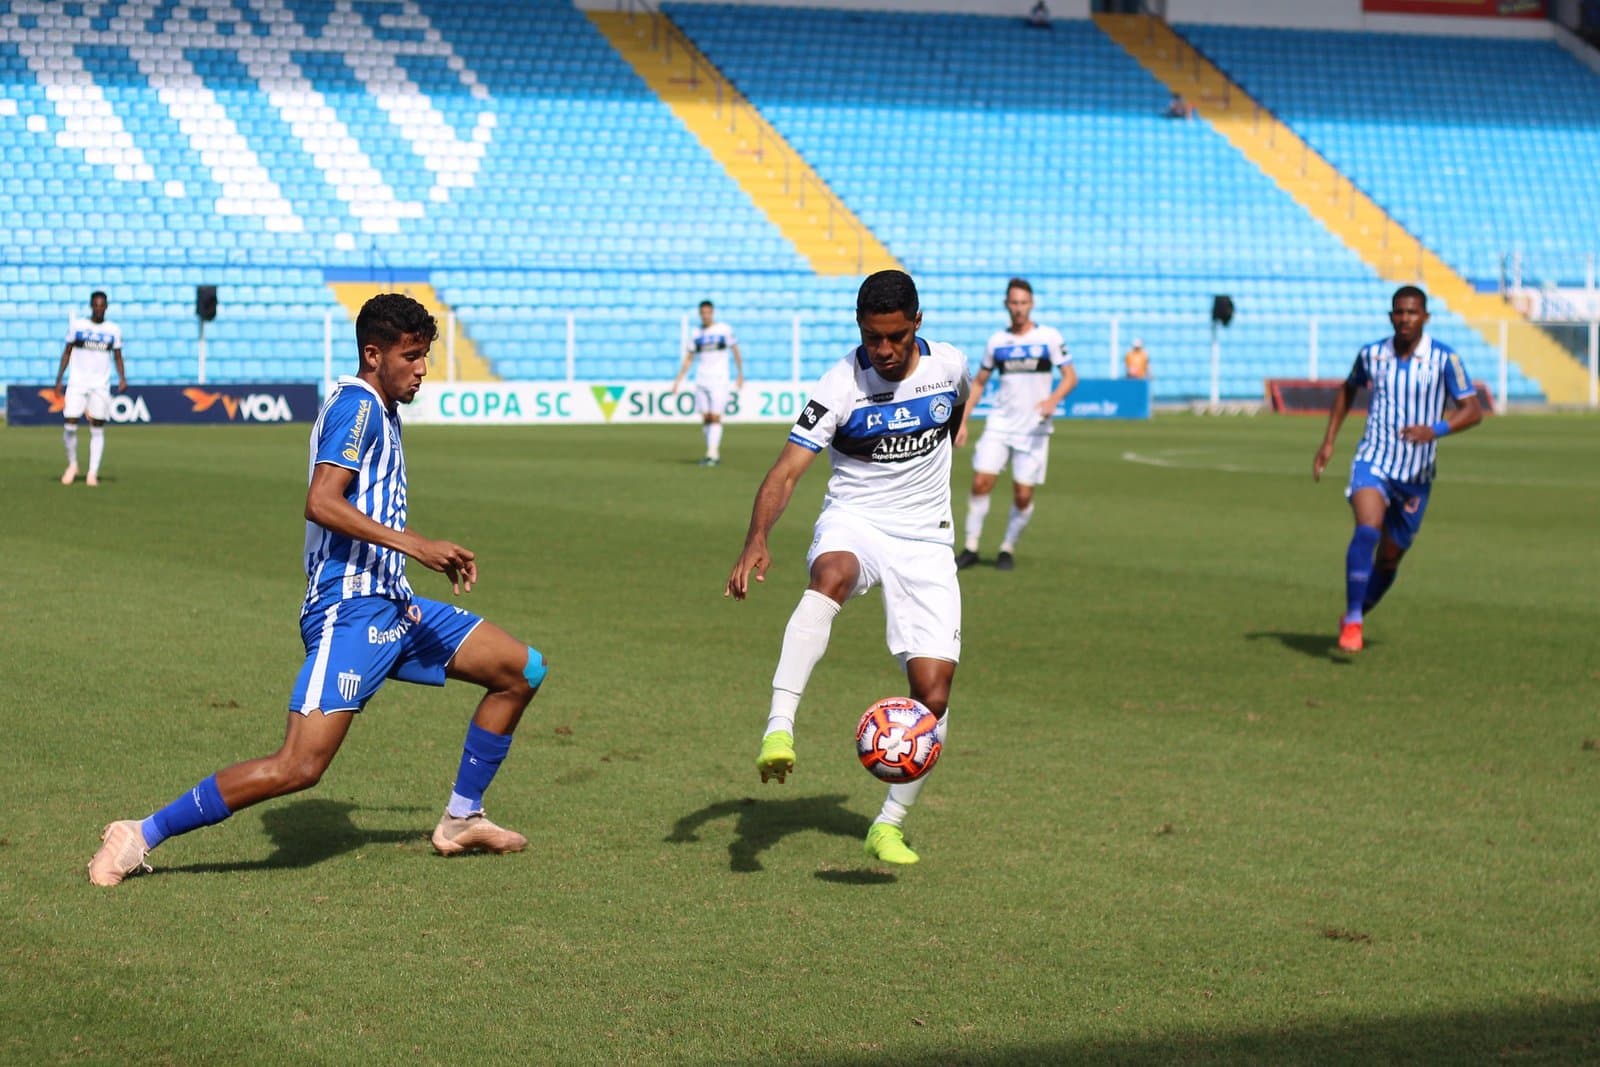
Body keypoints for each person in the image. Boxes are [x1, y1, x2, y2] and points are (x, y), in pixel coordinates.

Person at [87, 293, 549, 887]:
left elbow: (364, 506)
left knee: (521, 670)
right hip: (349, 610)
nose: (423, 370)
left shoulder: (380, 406)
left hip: (394, 603)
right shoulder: (356, 408)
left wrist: (419, 549)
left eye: (426, 355)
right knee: (300, 765)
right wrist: (418, 545)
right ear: (373, 353)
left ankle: (462, 817)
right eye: (412, 356)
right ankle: (140, 833)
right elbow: (322, 501)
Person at [725, 270, 969, 866]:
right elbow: (786, 470)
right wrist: (757, 537)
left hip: (926, 540)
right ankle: (778, 728)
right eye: (869, 337)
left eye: (893, 337)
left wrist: (951, 442)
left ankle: (888, 824)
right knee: (830, 572)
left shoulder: (951, 366)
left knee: (933, 695)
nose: (881, 350)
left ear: (917, 323)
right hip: (856, 518)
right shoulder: (839, 385)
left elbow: (958, 404)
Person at [1313, 285, 1483, 653]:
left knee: (1389, 558)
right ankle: (1354, 620)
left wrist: (1434, 429)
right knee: (1367, 529)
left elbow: (1472, 410)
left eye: (1412, 312)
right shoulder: (1372, 354)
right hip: (1374, 459)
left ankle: (1356, 611)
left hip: (1417, 474)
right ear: (1391, 316)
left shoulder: (1444, 359)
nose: (1405, 319)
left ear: (1425, 317)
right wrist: (1329, 442)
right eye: (1399, 312)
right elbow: (1347, 390)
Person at [954, 278, 1078, 572]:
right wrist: (962, 421)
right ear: (1006, 305)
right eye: (1014, 303)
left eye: (1023, 303)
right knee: (981, 482)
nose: (1019, 308)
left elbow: (1071, 376)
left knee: (1023, 495)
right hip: (1000, 423)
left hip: (1034, 428)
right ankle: (971, 545)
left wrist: (1053, 400)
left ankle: (1007, 548)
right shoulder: (997, 341)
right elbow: (980, 383)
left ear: (1031, 304)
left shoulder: (1048, 337)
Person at [54, 290, 126, 487]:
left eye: (102, 305)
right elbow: (67, 352)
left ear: (106, 307)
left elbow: (118, 356)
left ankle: (92, 472)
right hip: (77, 382)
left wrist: (122, 377)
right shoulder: (78, 326)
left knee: (97, 426)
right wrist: (59, 378)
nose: (99, 308)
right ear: (91, 306)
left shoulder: (113, 330)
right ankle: (73, 464)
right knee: (70, 424)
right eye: (96, 305)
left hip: (100, 385)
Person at [671, 300, 744, 467]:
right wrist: (678, 380)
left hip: (719, 379)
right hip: (701, 378)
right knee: (705, 417)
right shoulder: (696, 333)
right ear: (700, 314)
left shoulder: (724, 330)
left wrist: (740, 374)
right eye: (702, 313)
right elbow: (689, 358)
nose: (705, 315)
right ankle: (710, 451)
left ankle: (713, 453)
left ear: (712, 313)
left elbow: (735, 351)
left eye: (708, 312)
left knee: (715, 416)